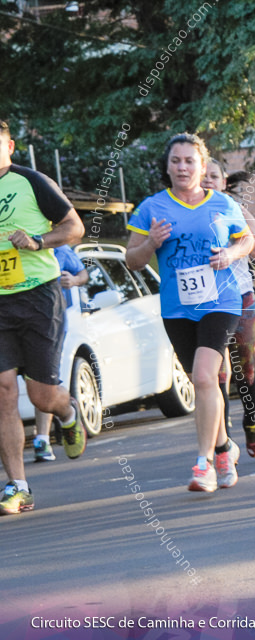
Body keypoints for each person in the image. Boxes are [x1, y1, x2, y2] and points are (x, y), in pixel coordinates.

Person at [126, 133, 254, 492]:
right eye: (176, 161)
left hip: (221, 301)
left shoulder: (223, 204)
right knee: (204, 383)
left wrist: (230, 254)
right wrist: (151, 242)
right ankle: (225, 446)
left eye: (190, 161)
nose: (183, 167)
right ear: (167, 167)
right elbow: (132, 260)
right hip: (178, 308)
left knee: (202, 377)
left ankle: (204, 465)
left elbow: (246, 240)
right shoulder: (152, 208)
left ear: (202, 165)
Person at [0, 120, 87, 514]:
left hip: (38, 295)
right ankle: (17, 486)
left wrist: (37, 241)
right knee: (3, 391)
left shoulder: (32, 181)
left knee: (42, 396)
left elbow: (74, 227)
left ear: (11, 146)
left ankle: (67, 413)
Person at [202, 161, 255, 457]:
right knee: (215, 374)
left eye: (213, 176)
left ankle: (252, 422)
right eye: (202, 175)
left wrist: (238, 242)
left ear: (224, 181)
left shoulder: (235, 210)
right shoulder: (182, 212)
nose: (206, 181)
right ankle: (224, 443)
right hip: (203, 302)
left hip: (241, 297)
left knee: (243, 370)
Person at [32, 244, 88, 462]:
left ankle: (42, 439)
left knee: (42, 380)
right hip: (13, 322)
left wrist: (73, 281)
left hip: (50, 325)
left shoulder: (58, 248)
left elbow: (82, 273)